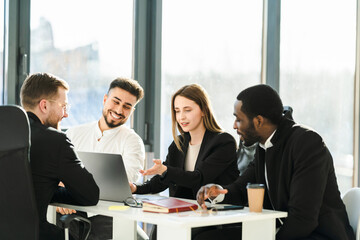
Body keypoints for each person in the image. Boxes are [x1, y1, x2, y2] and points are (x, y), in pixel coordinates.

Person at [196, 84, 355, 240]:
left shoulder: (307, 143)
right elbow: (242, 188)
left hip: (318, 234)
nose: (234, 126)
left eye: (239, 120)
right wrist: (219, 193)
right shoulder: (264, 146)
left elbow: (303, 219)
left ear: (258, 121)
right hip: (280, 230)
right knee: (205, 237)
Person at [130, 83, 239, 239]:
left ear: (203, 110)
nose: (181, 117)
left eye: (187, 110)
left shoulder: (223, 142)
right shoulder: (178, 144)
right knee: (159, 230)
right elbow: (162, 182)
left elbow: (198, 178)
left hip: (214, 216)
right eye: (177, 111)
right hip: (186, 214)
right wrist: (135, 188)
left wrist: (166, 171)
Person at [58, 77, 145, 240]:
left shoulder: (133, 141)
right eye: (116, 101)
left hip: (109, 217)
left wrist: (69, 185)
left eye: (127, 106)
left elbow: (123, 184)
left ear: (132, 111)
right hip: (70, 212)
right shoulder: (74, 133)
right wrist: (61, 192)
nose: (119, 110)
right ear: (105, 99)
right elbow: (56, 174)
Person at [20, 72, 99, 240]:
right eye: (64, 106)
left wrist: (50, 188)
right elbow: (90, 195)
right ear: (44, 106)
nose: (66, 114)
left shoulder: (6, 134)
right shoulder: (56, 141)